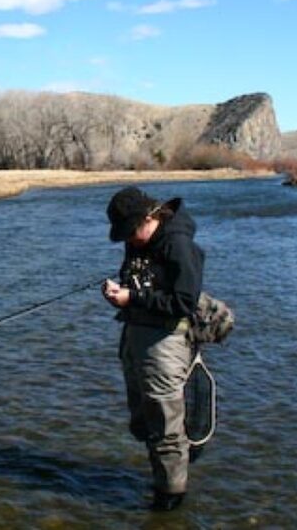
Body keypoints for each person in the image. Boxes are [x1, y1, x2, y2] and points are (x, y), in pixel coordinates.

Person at [101, 186, 204, 512]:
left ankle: (170, 498)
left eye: (131, 233)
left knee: (165, 427)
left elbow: (184, 302)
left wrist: (132, 298)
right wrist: (121, 290)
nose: (129, 241)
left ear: (150, 218)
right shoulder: (138, 240)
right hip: (136, 335)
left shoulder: (178, 245)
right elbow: (139, 279)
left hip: (166, 342)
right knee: (143, 422)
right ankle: (170, 467)